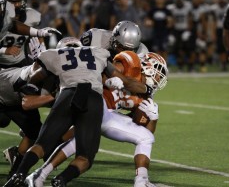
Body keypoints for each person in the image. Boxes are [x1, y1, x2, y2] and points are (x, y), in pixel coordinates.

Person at [3, 37, 152, 187]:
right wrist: (147, 88)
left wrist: (35, 75)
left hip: (67, 94)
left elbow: (32, 82)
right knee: (85, 158)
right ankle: (61, 180)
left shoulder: (55, 54)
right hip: (93, 98)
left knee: (41, 145)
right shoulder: (97, 53)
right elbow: (127, 83)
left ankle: (19, 174)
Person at [0, 0, 42, 69]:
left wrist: (41, 51)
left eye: (19, 1)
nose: (16, 5)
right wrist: (5, 50)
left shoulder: (31, 16)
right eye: (12, 2)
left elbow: (39, 37)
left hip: (21, 62)